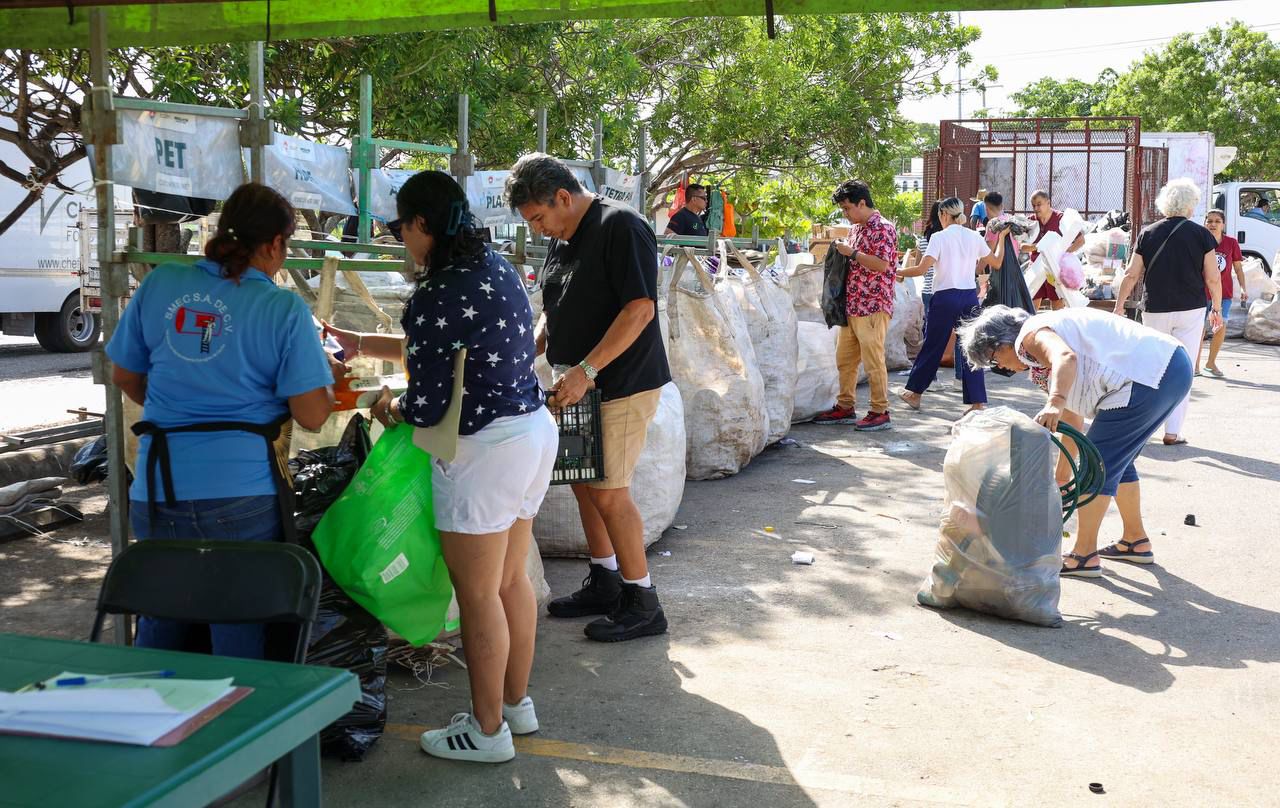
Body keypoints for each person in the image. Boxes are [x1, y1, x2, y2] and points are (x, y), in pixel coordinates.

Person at [325, 171, 557, 763]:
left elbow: (426, 404)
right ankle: (515, 707)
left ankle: (486, 733)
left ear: (421, 224)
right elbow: (452, 351)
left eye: (400, 228)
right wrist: (359, 341)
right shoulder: (494, 266)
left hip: (483, 452)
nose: (400, 239)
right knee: (509, 582)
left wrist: (387, 406)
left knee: (477, 596)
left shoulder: (435, 293)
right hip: (530, 432)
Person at [107, 182, 340, 660]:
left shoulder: (161, 283)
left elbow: (125, 375)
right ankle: (234, 707)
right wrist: (327, 381)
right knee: (237, 632)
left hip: (157, 486)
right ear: (274, 244)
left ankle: (146, 705)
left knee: (161, 620)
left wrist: (179, 411)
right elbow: (312, 415)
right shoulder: (281, 308)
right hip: (240, 495)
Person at [506, 153, 672, 642]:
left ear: (563, 196)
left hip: (620, 383)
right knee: (583, 481)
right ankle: (605, 578)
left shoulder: (621, 226)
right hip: (575, 383)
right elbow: (553, 309)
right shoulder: (563, 237)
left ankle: (643, 600)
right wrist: (527, 350)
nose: (537, 230)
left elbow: (639, 310)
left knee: (609, 491)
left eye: (539, 218)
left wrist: (587, 370)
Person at [957, 305, 1194, 577]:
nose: (1000, 367)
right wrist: (1061, 478)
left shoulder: (1030, 336)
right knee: (1118, 461)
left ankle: (1084, 555)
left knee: (1097, 466)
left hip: (1153, 374)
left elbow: (1065, 358)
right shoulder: (1042, 349)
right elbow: (1073, 418)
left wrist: (1054, 402)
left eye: (993, 359)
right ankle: (1135, 540)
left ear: (1001, 343)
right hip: (1170, 368)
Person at [1113, 177, 1222, 445]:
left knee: (1152, 368)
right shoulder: (1201, 235)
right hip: (1191, 309)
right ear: (1190, 205)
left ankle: (1143, 427)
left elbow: (1131, 274)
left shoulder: (1148, 233)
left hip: (1155, 309)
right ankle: (1173, 431)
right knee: (1183, 369)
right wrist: (1217, 307)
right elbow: (1212, 278)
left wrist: (1119, 305)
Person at [898, 197, 1003, 414]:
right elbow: (996, 262)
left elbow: (921, 269)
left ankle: (915, 393)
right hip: (969, 297)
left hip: (945, 297)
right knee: (972, 348)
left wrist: (896, 272)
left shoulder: (938, 237)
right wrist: (1002, 237)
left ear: (944, 214)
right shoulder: (974, 236)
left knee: (933, 346)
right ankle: (977, 403)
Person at [812, 180, 899, 431]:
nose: (845, 214)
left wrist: (851, 253)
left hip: (873, 305)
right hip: (852, 305)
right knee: (845, 360)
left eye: (847, 208)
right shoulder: (856, 229)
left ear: (862, 203)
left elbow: (881, 264)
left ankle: (880, 411)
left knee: (873, 362)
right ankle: (845, 405)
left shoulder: (883, 228)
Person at [1199, 208, 1247, 377]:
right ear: (1205, 223)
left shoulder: (1231, 243)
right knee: (1199, 329)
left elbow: (1238, 269)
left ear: (1223, 224)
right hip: (1200, 293)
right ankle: (1194, 365)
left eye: (1217, 221)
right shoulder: (1199, 241)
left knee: (1220, 326)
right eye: (1210, 221)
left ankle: (1211, 363)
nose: (1213, 224)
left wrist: (1243, 288)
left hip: (1223, 294)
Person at [1023, 190, 1086, 310]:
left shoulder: (1060, 218)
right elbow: (1022, 246)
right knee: (1030, 307)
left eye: (1039, 204)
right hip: (1036, 267)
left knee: (1057, 307)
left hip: (1054, 268)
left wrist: (1063, 253)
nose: (1036, 208)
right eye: (1033, 205)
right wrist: (1040, 246)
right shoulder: (1030, 221)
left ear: (1048, 203)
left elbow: (1080, 240)